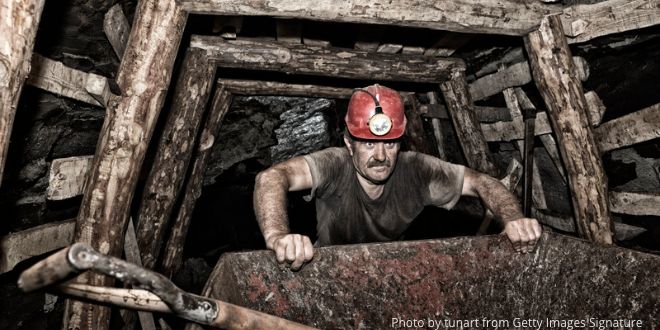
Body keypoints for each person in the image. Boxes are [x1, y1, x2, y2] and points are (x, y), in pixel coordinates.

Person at [254, 84, 542, 270]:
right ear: (348, 143)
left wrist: (513, 219)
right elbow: (271, 178)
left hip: (392, 263)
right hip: (330, 264)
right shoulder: (334, 164)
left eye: (389, 144)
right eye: (368, 144)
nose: (380, 156)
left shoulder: (416, 170)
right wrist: (278, 236)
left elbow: (482, 181)